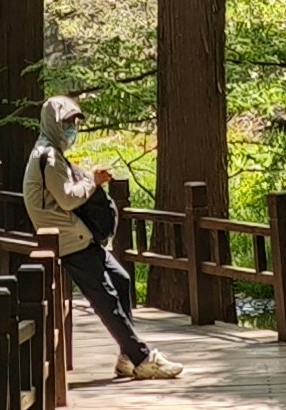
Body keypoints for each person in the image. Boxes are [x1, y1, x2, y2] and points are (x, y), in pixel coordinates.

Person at [23, 96, 178, 380]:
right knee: (106, 299)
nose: (72, 128)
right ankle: (143, 358)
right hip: (68, 241)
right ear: (53, 123)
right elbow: (67, 199)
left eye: (74, 123)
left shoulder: (52, 153)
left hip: (78, 236)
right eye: (67, 123)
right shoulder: (48, 157)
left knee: (121, 280)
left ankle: (126, 357)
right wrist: (92, 181)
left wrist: (90, 178)